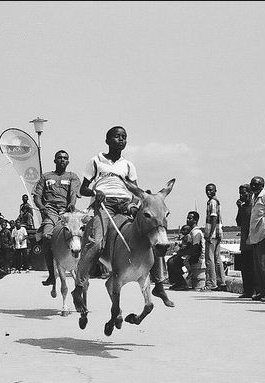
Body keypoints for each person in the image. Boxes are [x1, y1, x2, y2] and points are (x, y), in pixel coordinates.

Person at [71, 126, 173, 312]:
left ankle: (158, 284)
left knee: (152, 233)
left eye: (124, 137)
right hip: (104, 204)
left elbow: (134, 188)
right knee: (97, 243)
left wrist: (137, 204)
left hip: (125, 204)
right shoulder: (95, 161)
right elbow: (82, 189)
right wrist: (95, 192)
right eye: (117, 137)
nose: (121, 140)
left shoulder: (128, 165)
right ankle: (79, 286)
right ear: (107, 140)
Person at [32, 150, 81, 286]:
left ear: (68, 161)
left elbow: (73, 193)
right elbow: (36, 196)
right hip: (51, 212)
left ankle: (86, 269)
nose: (62, 160)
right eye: (59, 158)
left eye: (65, 158)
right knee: (47, 237)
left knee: (89, 226)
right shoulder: (45, 176)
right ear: (54, 160)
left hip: (67, 212)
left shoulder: (72, 176)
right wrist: (42, 207)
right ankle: (52, 275)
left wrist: (71, 204)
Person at [202, 183, 226, 292]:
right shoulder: (217, 201)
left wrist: (210, 234)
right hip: (218, 233)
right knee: (217, 259)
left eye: (210, 190)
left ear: (215, 190)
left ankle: (211, 283)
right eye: (207, 190)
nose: (208, 192)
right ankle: (222, 282)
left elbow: (213, 218)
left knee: (209, 259)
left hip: (212, 234)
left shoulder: (212, 202)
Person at [235, 184, 255, 298]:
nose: (242, 196)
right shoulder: (243, 207)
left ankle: (254, 290)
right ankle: (247, 290)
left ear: (250, 193)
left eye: (244, 193)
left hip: (252, 241)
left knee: (253, 268)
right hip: (244, 242)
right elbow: (238, 222)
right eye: (240, 193)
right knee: (245, 268)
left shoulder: (253, 206)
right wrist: (239, 208)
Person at [166, 224, 193, 291]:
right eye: (182, 230)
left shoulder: (188, 237)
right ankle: (177, 282)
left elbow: (187, 247)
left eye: (184, 230)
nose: (182, 231)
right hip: (182, 255)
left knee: (172, 262)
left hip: (186, 256)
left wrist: (180, 249)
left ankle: (181, 283)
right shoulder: (185, 237)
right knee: (170, 261)